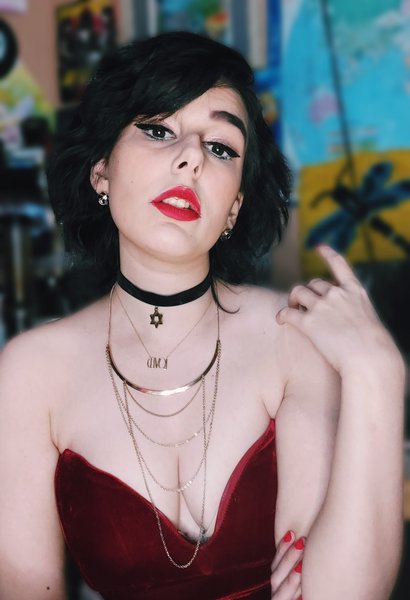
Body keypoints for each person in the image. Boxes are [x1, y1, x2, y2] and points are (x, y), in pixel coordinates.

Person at [0, 32, 405, 600]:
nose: (191, 156)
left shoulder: (293, 336)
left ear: (234, 204)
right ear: (101, 172)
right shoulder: (30, 370)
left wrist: (379, 371)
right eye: (158, 130)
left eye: (220, 147)